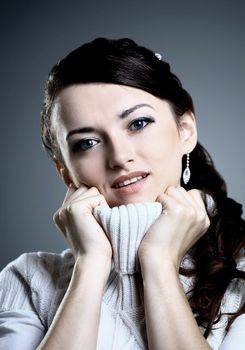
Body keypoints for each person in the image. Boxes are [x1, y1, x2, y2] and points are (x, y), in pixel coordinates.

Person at [0, 38, 244, 350]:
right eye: (87, 142)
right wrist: (90, 265)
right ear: (65, 172)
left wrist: (158, 262)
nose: (119, 156)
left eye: (138, 123)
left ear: (186, 130)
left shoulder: (241, 276)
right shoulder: (27, 280)